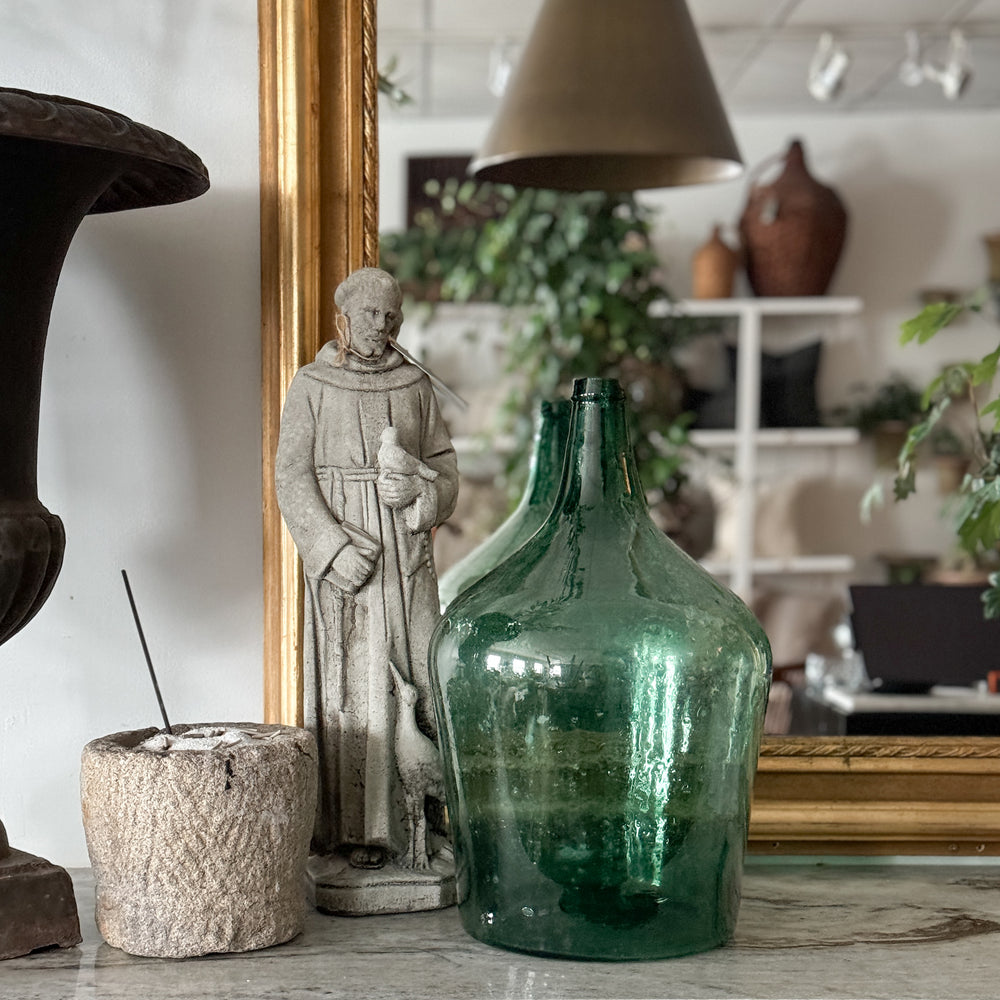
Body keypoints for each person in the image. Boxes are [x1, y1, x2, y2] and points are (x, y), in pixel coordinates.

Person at [275, 267, 458, 875]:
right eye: (371, 314)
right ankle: (356, 834)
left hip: (407, 558)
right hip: (350, 563)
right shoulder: (310, 385)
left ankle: (426, 828)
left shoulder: (416, 386)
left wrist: (424, 501)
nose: (382, 325)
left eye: (391, 315)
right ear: (343, 318)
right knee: (357, 687)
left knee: (418, 677)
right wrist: (330, 549)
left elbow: (445, 469)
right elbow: (290, 476)